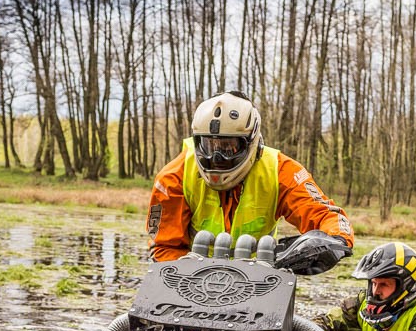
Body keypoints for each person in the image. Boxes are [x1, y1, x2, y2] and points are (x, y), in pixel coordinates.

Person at [146, 90, 354, 273]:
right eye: (209, 146)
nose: (217, 157)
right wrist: (184, 275)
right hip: (190, 279)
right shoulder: (174, 177)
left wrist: (334, 240)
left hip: (260, 279)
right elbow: (163, 246)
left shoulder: (280, 171)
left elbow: (324, 213)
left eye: (228, 147)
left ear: (250, 142)